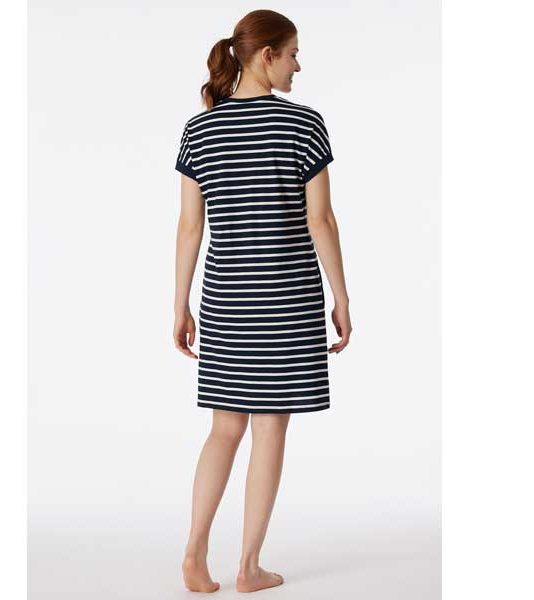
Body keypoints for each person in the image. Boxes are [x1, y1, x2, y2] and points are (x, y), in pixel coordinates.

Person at [173, 9, 352, 594]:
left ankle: (194, 554)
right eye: (293, 53)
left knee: (225, 428)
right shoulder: (303, 124)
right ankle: (249, 568)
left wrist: (180, 304)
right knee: (270, 428)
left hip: (226, 300)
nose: (298, 65)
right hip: (287, 299)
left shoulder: (199, 130)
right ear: (267, 55)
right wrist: (341, 296)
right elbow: (321, 220)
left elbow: (190, 227)